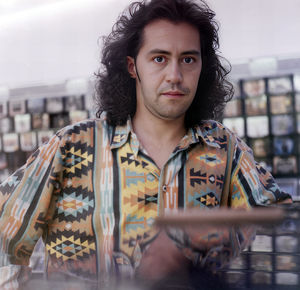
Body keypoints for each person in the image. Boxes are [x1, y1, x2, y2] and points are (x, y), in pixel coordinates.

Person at [0, 0, 292, 289]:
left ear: (203, 66)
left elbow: (280, 225)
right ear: (132, 66)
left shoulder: (225, 148)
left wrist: (207, 235)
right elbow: (5, 235)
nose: (175, 76)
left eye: (188, 59)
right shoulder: (71, 145)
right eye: (159, 58)